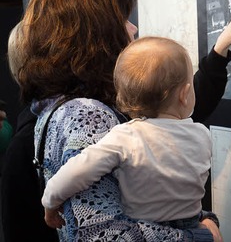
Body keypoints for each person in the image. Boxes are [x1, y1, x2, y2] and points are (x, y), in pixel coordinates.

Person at [4, 0, 231, 241]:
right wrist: (202, 236)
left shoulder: (61, 109)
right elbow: (105, 233)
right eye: (121, 19)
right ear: (95, 36)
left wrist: (220, 50)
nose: (133, 28)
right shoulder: (87, 116)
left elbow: (172, 112)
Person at [42, 36, 217, 231]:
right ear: (185, 95)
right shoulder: (202, 135)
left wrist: (50, 202)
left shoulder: (126, 137)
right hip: (192, 227)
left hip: (146, 230)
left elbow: (76, 171)